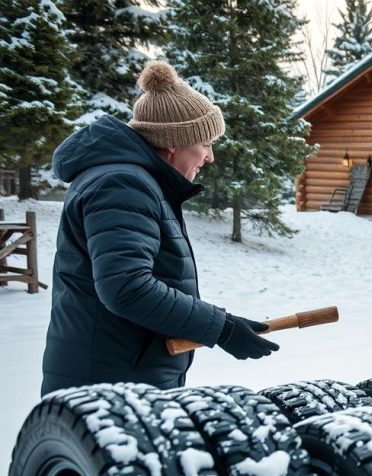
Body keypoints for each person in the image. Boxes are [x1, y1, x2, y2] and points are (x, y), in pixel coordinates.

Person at [41, 61, 278, 395]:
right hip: (107, 387)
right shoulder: (122, 185)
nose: (209, 158)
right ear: (173, 143)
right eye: (206, 143)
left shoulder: (136, 182)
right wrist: (220, 328)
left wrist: (219, 325)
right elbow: (127, 288)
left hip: (125, 376)